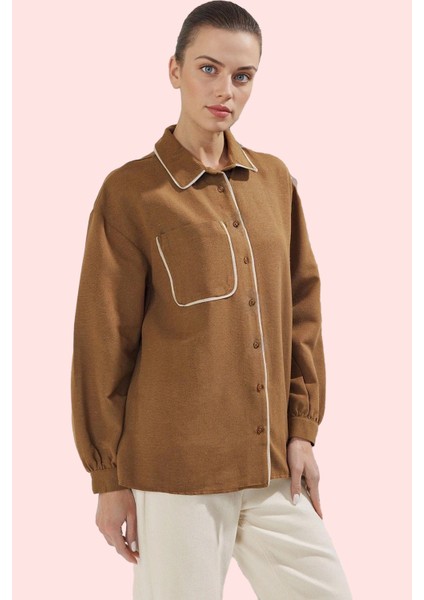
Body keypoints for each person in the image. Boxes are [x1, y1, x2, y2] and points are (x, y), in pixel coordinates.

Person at [70, 1, 353, 598]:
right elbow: (103, 340)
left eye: (242, 75)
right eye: (208, 69)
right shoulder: (130, 192)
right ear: (175, 70)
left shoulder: (274, 181)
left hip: (270, 464)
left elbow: (303, 312)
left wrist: (302, 430)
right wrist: (108, 479)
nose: (225, 89)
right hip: (175, 473)